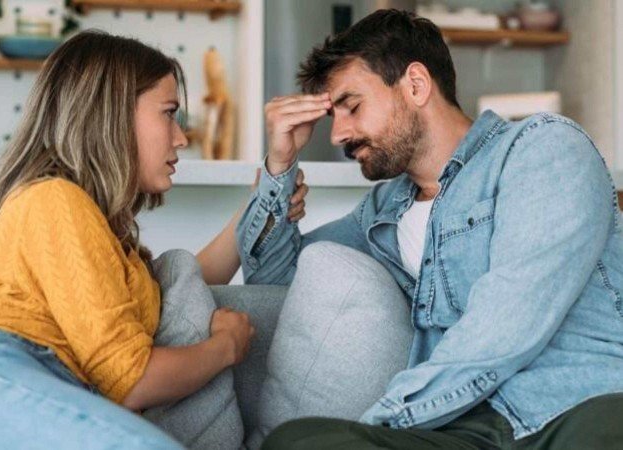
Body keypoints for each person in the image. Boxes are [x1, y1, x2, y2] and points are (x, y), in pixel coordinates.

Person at [236, 9, 623, 449]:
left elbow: (506, 324)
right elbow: (276, 280)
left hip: (572, 410)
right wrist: (280, 164)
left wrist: (385, 423)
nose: (338, 135)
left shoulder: (542, 149)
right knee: (295, 442)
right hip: (470, 429)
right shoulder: (383, 211)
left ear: (416, 85)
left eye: (352, 107)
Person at [0, 30, 308, 449]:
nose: (181, 138)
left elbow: (185, 282)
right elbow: (131, 380)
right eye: (168, 113)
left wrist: (265, 198)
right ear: (111, 115)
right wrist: (226, 346)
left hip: (32, 380)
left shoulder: (98, 232)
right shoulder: (53, 199)